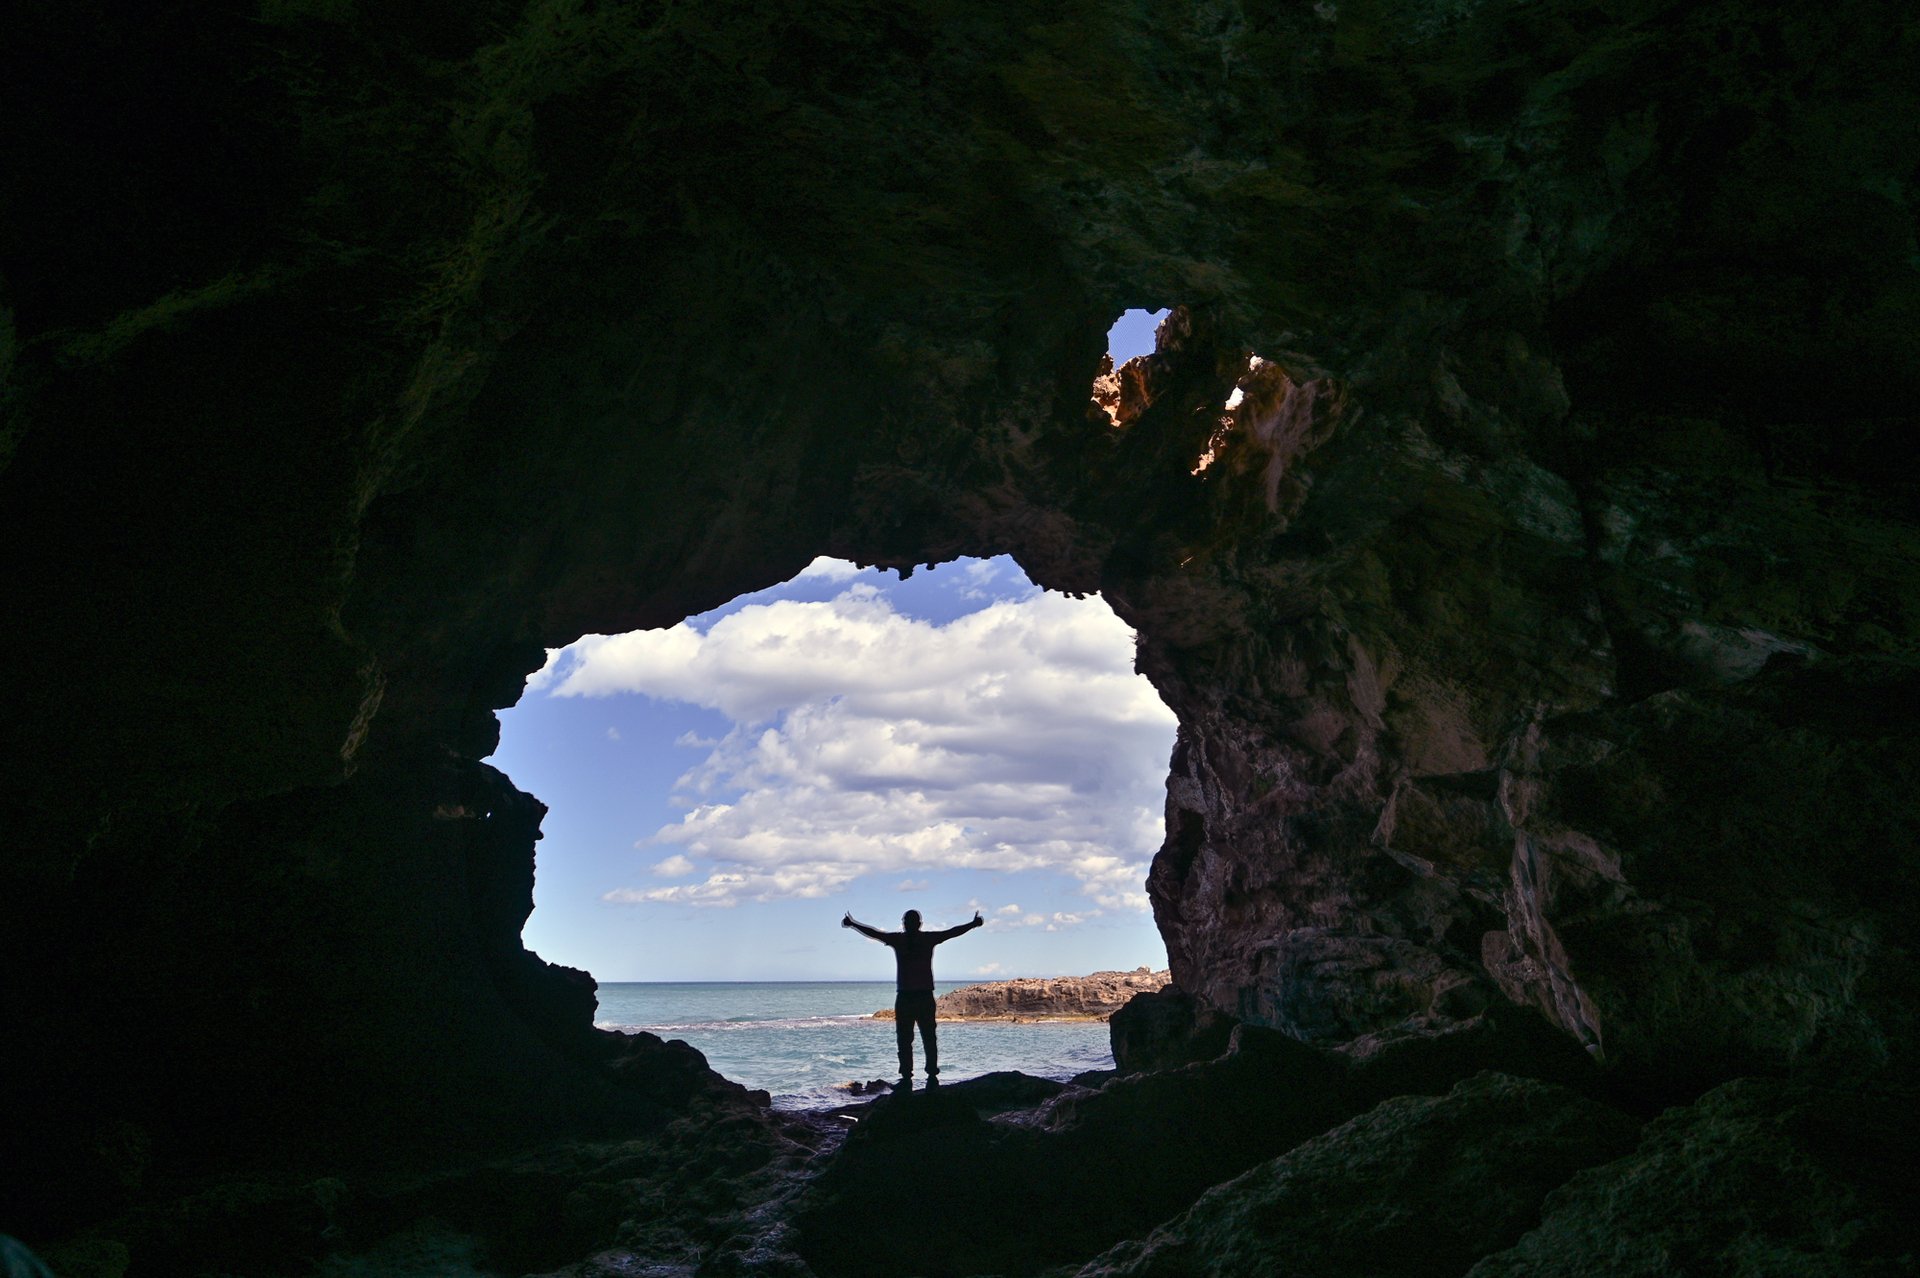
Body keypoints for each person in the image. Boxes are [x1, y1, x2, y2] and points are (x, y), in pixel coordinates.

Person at [842, 908, 983, 1088]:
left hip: (906, 996)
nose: (905, 924)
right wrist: (972, 924)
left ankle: (908, 1077)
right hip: (923, 995)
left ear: (906, 924)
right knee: (928, 1037)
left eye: (905, 922)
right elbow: (952, 932)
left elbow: (874, 933)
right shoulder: (927, 939)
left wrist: (853, 924)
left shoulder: (899, 940)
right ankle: (930, 1075)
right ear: (919, 924)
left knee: (905, 1039)